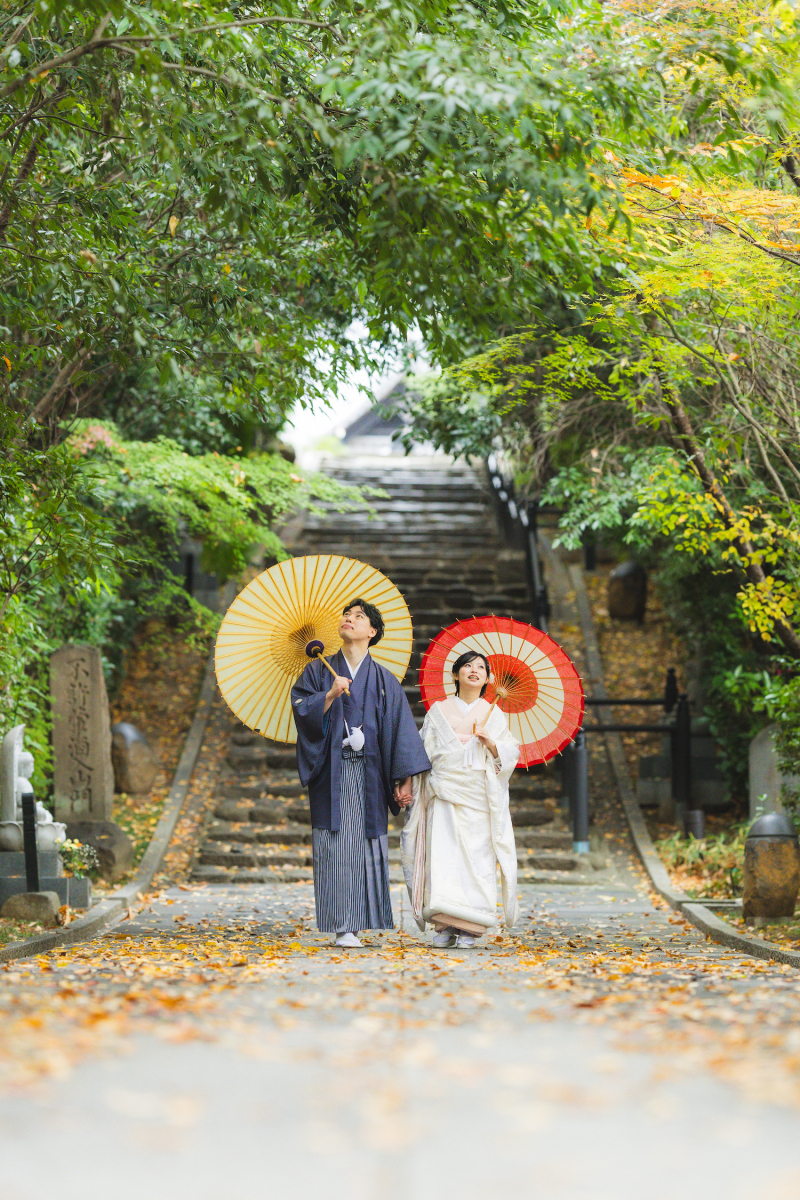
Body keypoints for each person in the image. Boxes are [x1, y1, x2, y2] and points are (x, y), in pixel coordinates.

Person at [291, 598, 431, 948]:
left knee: (367, 843)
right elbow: (301, 709)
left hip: (370, 773)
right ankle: (343, 926)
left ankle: (361, 920)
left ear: (373, 632)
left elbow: (400, 729)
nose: (348, 619)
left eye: (358, 616)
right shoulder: (317, 671)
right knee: (335, 844)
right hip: (332, 771)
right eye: (346, 615)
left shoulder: (384, 679)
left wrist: (404, 778)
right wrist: (328, 695)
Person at [401, 650, 520, 947]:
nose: (474, 670)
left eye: (481, 667)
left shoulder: (494, 714)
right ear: (455, 674)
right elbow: (422, 750)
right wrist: (407, 781)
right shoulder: (438, 711)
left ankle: (471, 926)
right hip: (444, 792)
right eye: (467, 665)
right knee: (442, 858)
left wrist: (493, 745)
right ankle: (444, 925)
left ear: (488, 678)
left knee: (477, 860)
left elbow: (510, 753)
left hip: (478, 796)